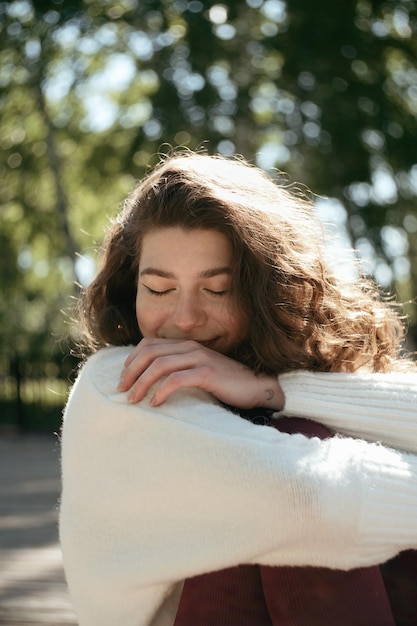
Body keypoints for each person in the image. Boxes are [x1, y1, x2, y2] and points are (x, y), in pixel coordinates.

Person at [60, 151, 417, 625]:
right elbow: (306, 500)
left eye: (217, 289)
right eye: (159, 290)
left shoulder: (276, 376)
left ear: (267, 290)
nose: (185, 319)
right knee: (301, 450)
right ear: (132, 289)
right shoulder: (120, 385)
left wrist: (274, 390)